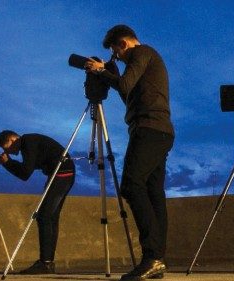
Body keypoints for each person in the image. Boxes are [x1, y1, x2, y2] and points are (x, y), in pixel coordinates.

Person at [85, 24, 174, 281]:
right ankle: (157, 259)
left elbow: (124, 85)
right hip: (159, 129)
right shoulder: (145, 59)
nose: (117, 58)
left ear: (123, 44)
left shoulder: (140, 52)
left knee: (132, 185)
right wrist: (108, 74)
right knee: (153, 192)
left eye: (116, 53)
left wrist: (103, 71)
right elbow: (129, 95)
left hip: (148, 128)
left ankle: (152, 256)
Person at [0, 130, 75, 274]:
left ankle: (46, 263)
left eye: (6, 147)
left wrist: (7, 163)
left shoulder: (27, 142)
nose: (7, 151)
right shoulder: (29, 142)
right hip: (62, 174)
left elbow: (25, 173)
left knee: (44, 216)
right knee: (50, 217)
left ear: (13, 139)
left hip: (62, 174)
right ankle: (47, 262)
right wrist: (7, 163)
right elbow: (25, 171)